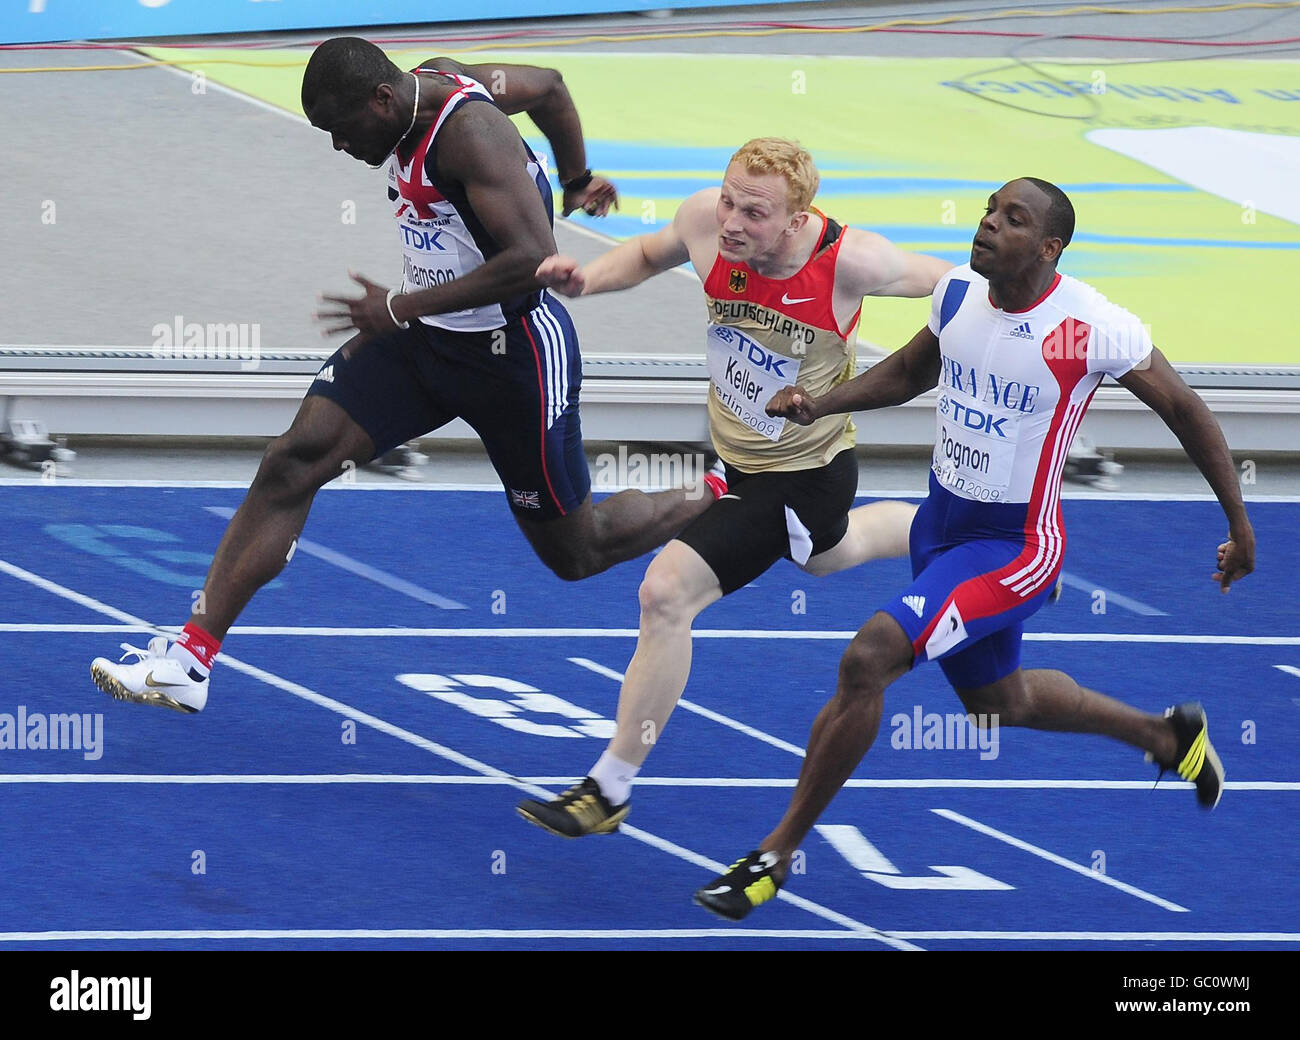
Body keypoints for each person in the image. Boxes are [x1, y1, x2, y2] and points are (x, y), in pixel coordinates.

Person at [90, 37, 722, 714]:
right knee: (294, 459)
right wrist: (575, 177)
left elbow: (534, 257)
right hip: (424, 344)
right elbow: (549, 87)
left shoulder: (471, 135)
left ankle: (726, 485)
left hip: (514, 359)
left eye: (341, 131)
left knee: (577, 552)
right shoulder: (428, 85)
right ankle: (190, 658)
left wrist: (400, 304)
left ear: (382, 100)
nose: (340, 148)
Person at [690, 176, 1256, 921]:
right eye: (989, 210)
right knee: (998, 700)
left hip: (1014, 546)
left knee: (870, 658)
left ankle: (773, 855)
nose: (987, 225)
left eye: (1011, 219)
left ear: (1049, 248)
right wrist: (818, 403)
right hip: (941, 530)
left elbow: (1185, 408)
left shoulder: (1093, 325)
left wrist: (1239, 526)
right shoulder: (957, 293)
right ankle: (1165, 733)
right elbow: (909, 371)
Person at [515, 138, 951, 837]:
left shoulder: (852, 260)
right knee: (828, 553)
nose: (731, 223)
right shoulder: (705, 224)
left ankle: (609, 788)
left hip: (803, 475)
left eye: (755, 212)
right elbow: (648, 253)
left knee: (665, 594)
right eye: (727, 199)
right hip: (739, 460)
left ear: (797, 218)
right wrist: (586, 281)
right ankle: (950, 531)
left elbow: (957, 285)